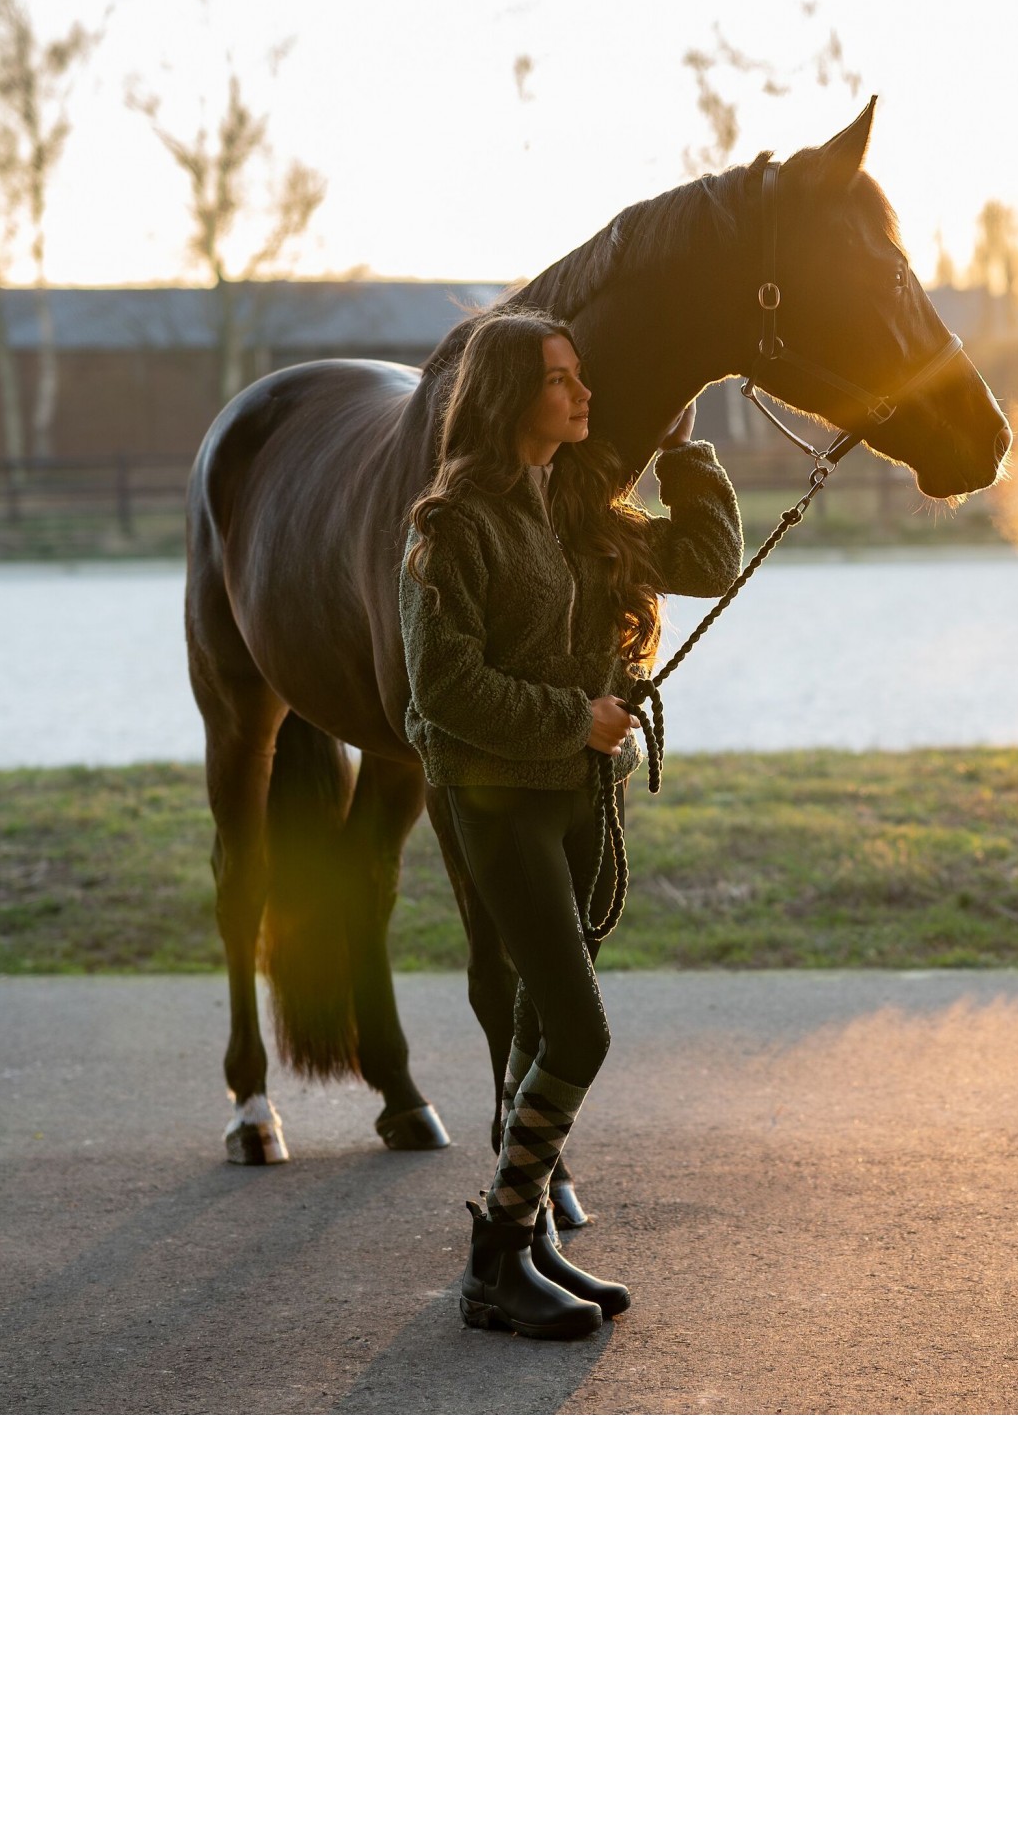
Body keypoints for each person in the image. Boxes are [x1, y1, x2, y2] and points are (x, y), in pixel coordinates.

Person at [399, 310, 743, 1339]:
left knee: (538, 1024)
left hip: (576, 792)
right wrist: (573, 718)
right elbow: (440, 681)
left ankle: (532, 1234)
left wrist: (686, 450)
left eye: (579, 375)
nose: (582, 394)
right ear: (510, 396)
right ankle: (494, 1258)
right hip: (493, 790)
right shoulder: (450, 523)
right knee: (577, 1025)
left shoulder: (584, 508)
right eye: (558, 379)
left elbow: (709, 560)